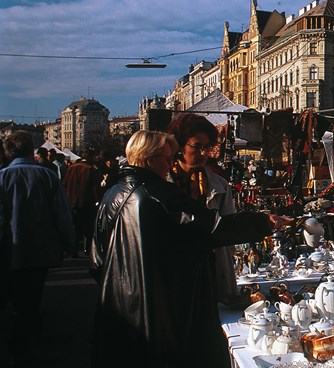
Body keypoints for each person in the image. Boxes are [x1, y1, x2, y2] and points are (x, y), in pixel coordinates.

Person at [90, 130, 290, 368]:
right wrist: (264, 222)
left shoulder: (113, 193)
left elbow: (96, 260)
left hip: (118, 308)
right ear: (150, 159)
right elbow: (212, 227)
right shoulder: (159, 194)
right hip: (158, 307)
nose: (169, 165)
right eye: (166, 159)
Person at [0, 132, 74, 366]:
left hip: (8, 249)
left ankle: (23, 339)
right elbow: (62, 213)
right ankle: (25, 339)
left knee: (15, 294)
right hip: (40, 247)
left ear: (8, 152)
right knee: (32, 295)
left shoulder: (2, 177)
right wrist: (68, 242)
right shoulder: (47, 176)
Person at [166, 113, 239, 303]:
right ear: (180, 145)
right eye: (197, 146)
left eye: (207, 147)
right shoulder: (163, 185)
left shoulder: (219, 185)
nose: (204, 153)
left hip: (211, 271)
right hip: (175, 273)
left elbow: (229, 230)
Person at [64, 153, 102, 256]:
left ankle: (73, 249)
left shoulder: (71, 168)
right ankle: (88, 250)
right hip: (86, 202)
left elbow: (65, 184)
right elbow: (94, 188)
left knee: (75, 227)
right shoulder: (90, 169)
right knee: (88, 228)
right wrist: (97, 200)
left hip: (72, 202)